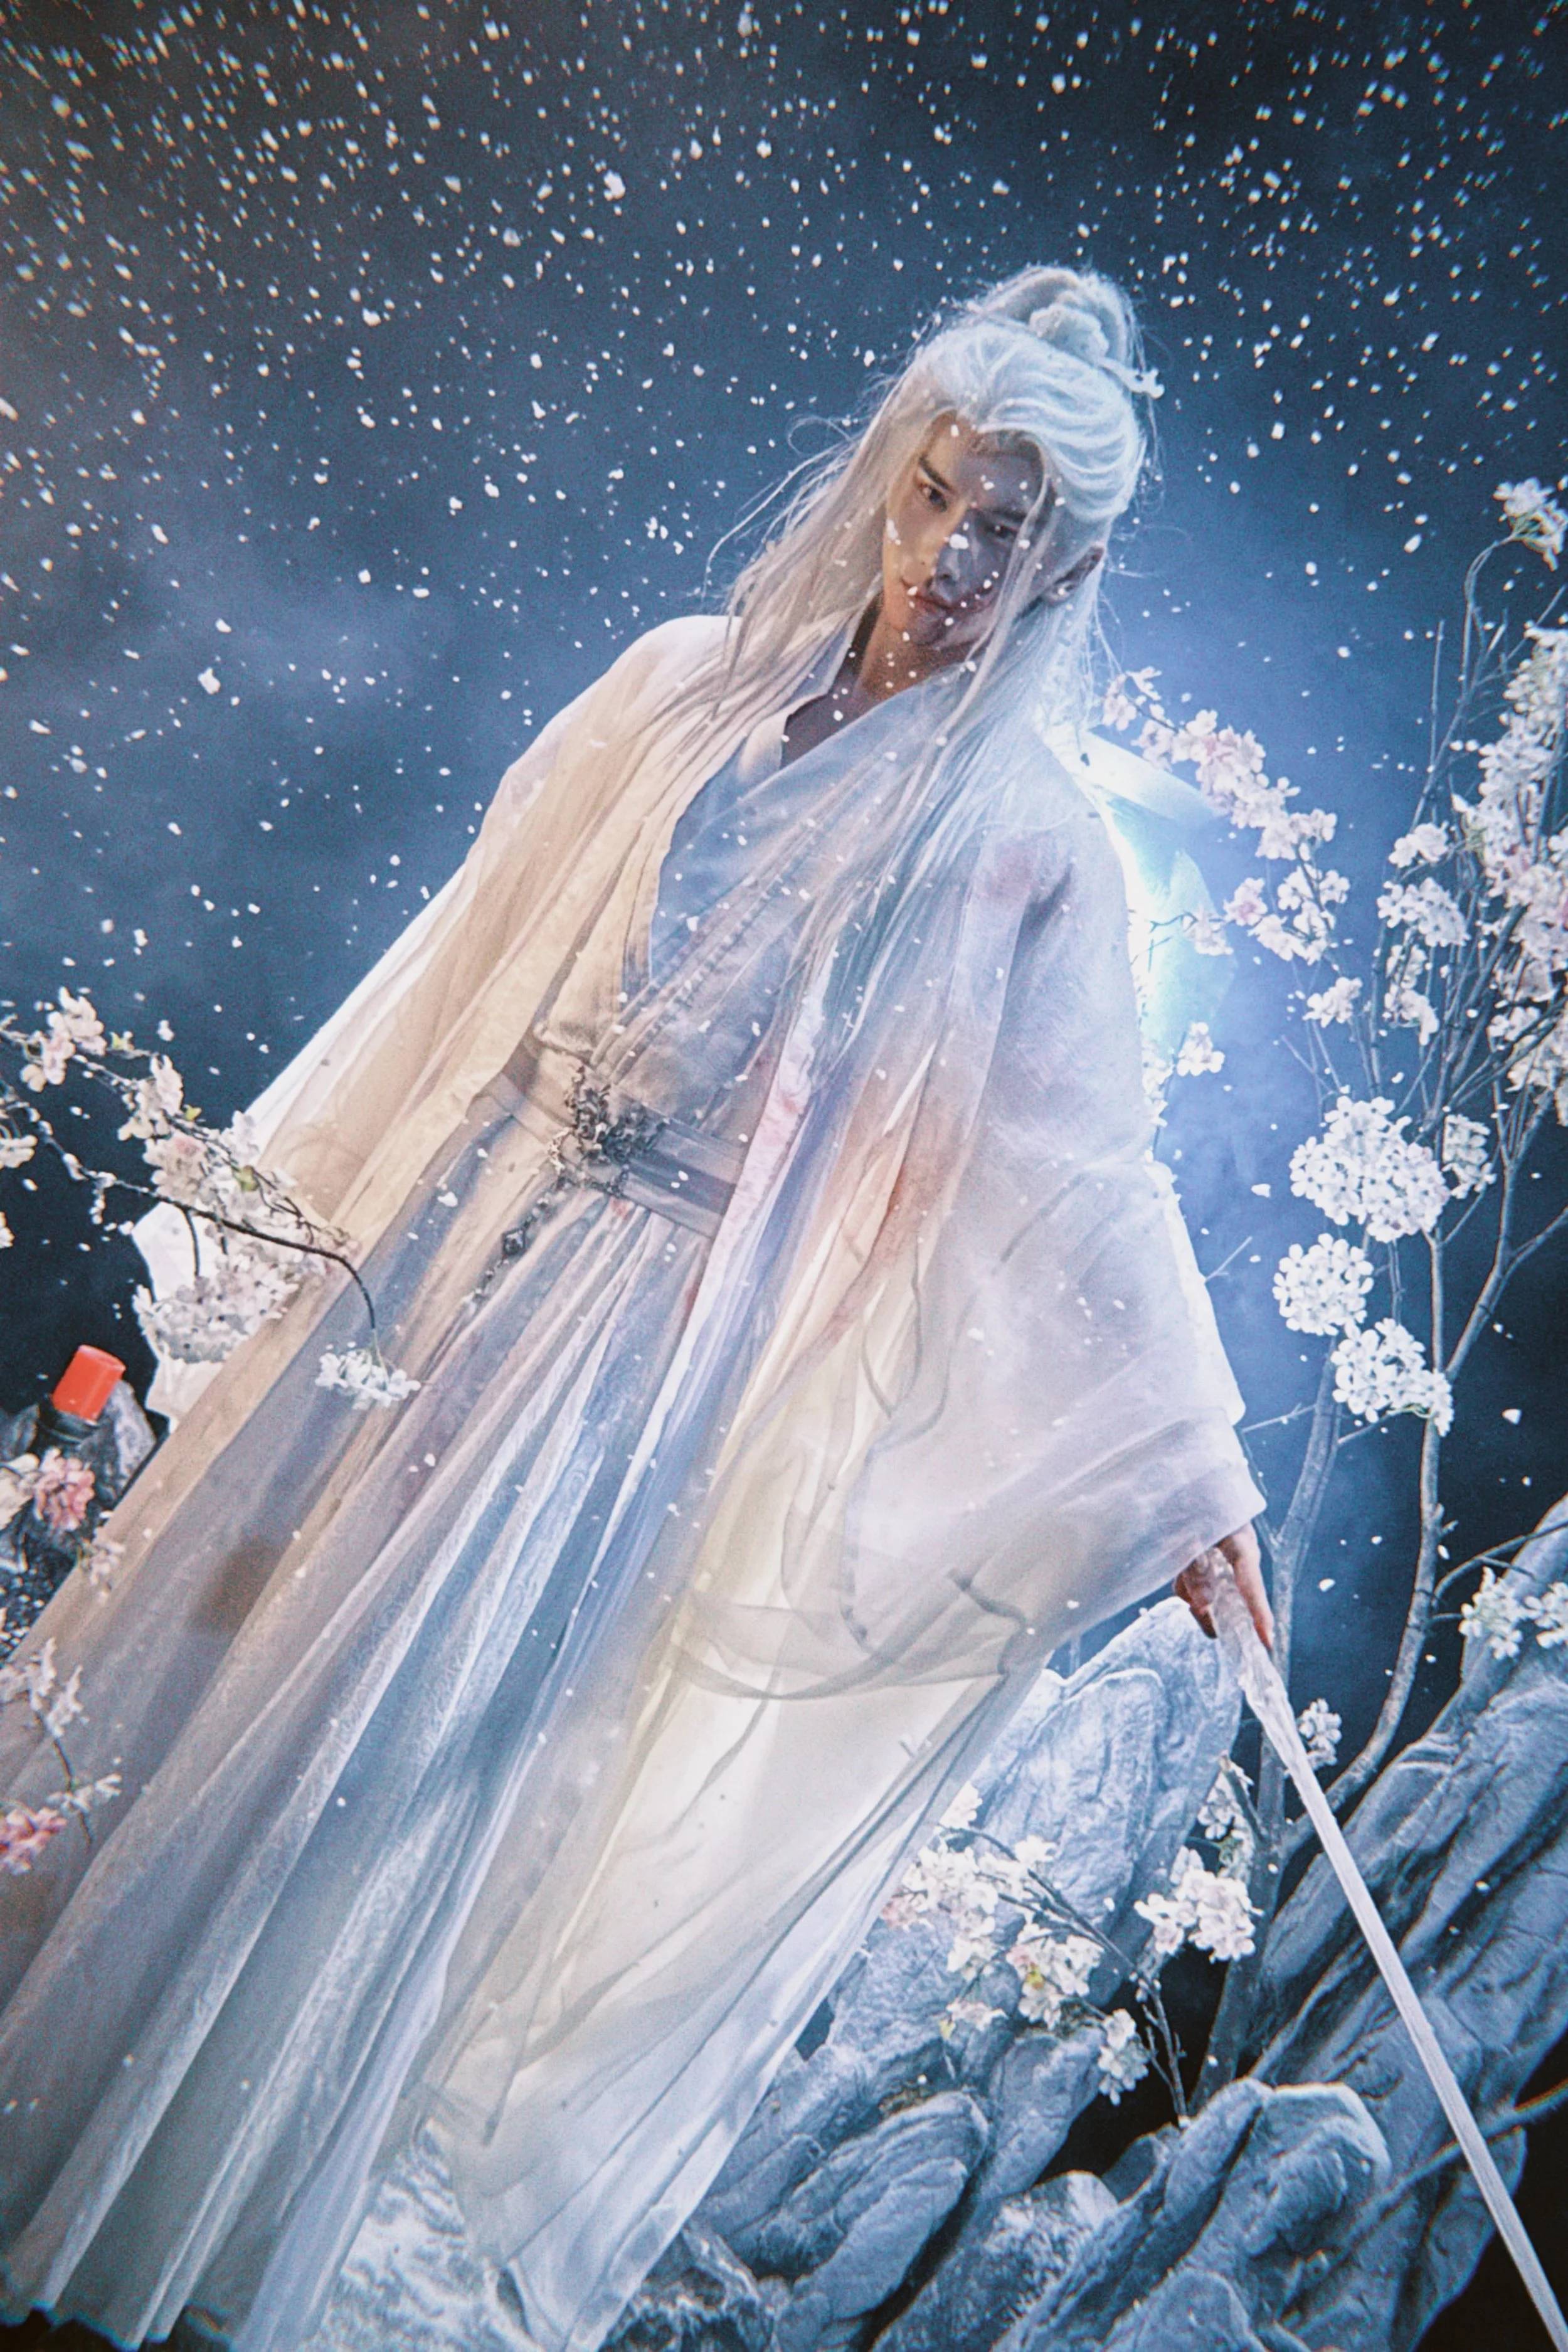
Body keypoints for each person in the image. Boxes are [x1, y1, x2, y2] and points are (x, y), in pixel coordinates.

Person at [0, 265, 1268, 2352]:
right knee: (222, 1636)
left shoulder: (1025, 839)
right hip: (445, 1225)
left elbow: (1074, 1167)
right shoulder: (685, 681)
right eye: (941, 495)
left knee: (392, 1738)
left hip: (631, 1348)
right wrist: (301, 1214)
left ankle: (188, 2198)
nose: (954, 558)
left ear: (1071, 566)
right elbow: (478, 933)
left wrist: (1179, 1459)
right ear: (895, 474)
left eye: (1011, 531)